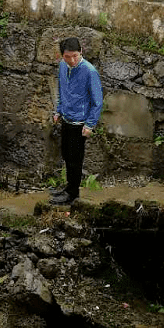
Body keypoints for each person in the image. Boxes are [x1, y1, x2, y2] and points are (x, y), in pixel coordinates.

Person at [51, 36, 103, 205]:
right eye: (68, 57)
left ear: (81, 52)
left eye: (75, 56)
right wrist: (58, 111)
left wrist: (90, 124)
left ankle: (73, 194)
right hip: (66, 118)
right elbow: (61, 90)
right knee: (66, 154)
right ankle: (68, 188)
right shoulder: (62, 66)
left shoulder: (89, 71)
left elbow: (97, 101)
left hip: (79, 123)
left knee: (75, 159)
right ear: (62, 56)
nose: (72, 60)